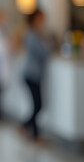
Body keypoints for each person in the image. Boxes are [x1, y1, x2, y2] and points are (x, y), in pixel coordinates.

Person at [19, 9, 51, 142]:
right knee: (38, 105)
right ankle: (31, 132)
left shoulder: (37, 33)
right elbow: (41, 52)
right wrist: (49, 47)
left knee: (37, 105)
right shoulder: (32, 34)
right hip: (31, 74)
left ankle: (28, 129)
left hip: (34, 75)